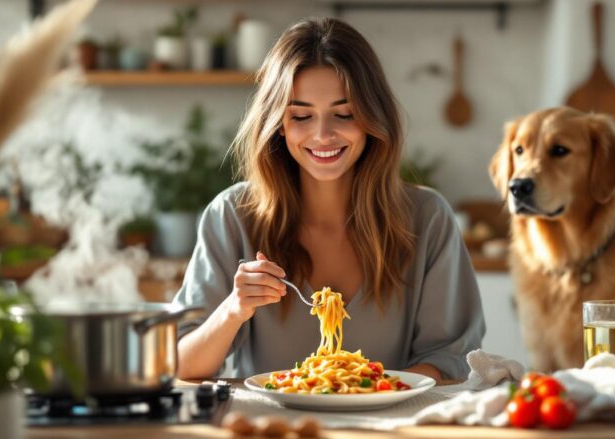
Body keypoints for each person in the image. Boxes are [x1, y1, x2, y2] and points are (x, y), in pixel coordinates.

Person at [174, 17, 485, 383]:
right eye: (302, 116)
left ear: (374, 117)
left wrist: (359, 388)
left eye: (344, 113)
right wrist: (233, 309)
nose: (323, 135)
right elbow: (181, 365)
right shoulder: (231, 216)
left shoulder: (427, 219)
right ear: (278, 124)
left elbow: (452, 360)